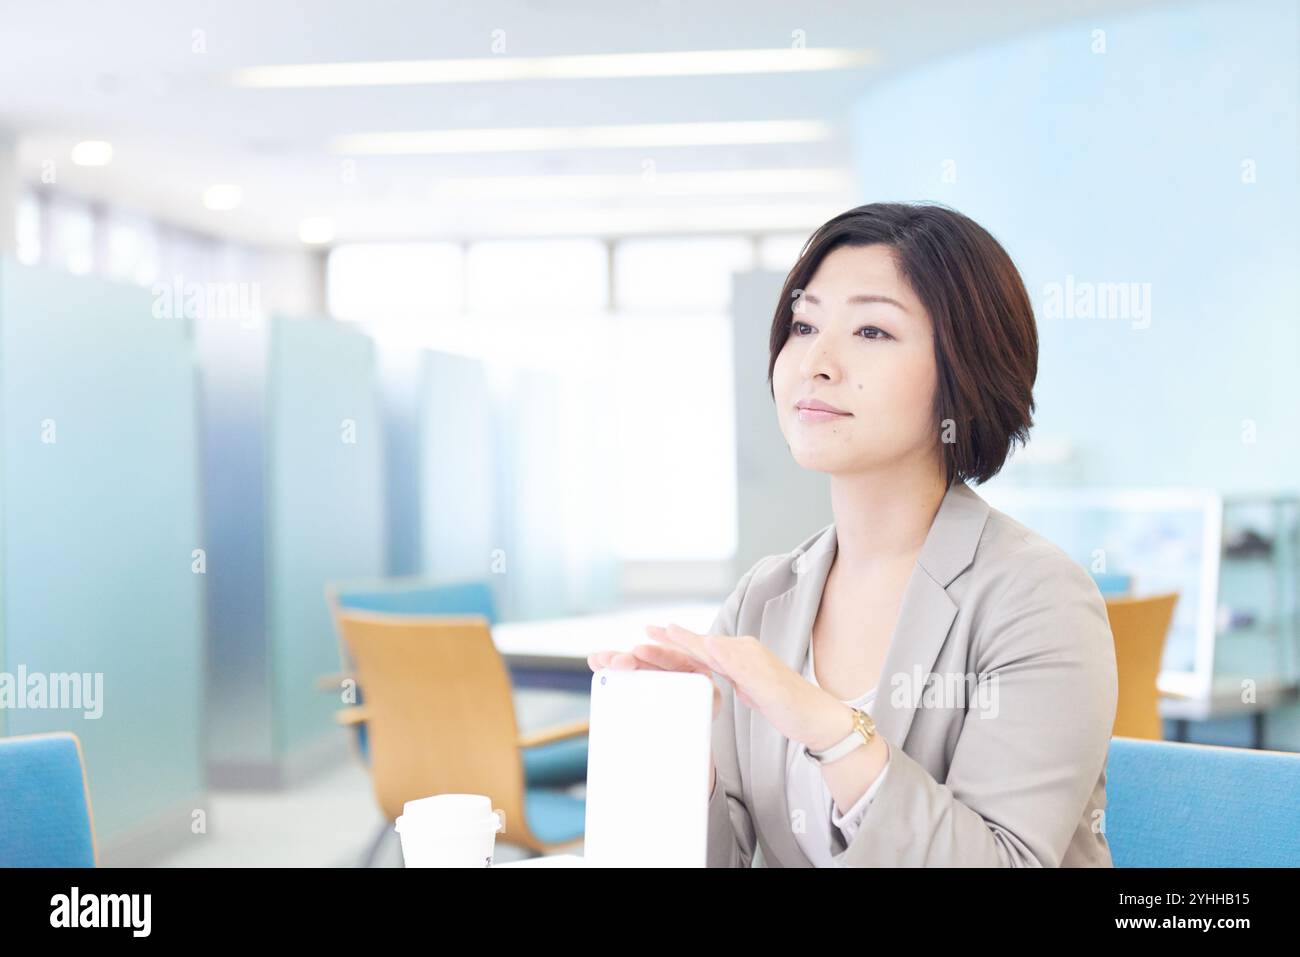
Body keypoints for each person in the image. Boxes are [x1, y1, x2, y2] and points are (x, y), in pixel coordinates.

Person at [588, 202, 1118, 867]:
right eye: (804, 324)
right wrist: (682, 771)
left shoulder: (1039, 601)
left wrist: (830, 730)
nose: (816, 360)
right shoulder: (764, 597)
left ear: (964, 371)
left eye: (871, 331)